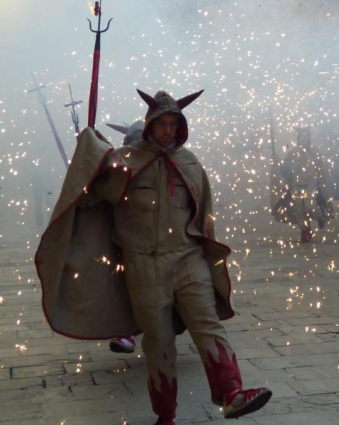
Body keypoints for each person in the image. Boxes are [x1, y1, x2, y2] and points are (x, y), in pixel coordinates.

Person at [35, 89, 271, 423]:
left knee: (208, 327)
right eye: (162, 123)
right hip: (143, 266)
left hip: (188, 260)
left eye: (174, 124)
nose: (168, 131)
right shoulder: (124, 161)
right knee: (159, 344)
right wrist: (88, 159)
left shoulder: (190, 163)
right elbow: (88, 198)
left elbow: (204, 216)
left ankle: (231, 393)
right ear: (149, 124)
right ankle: (165, 415)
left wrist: (208, 259)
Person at [104, 119, 146, 355]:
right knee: (126, 285)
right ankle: (125, 331)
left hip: (164, 239)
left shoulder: (167, 161)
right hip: (127, 236)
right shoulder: (118, 161)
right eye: (134, 140)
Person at [274, 127, 334, 243]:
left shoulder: (315, 152)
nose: (304, 139)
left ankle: (321, 218)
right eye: (302, 136)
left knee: (310, 207)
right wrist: (276, 160)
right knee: (299, 209)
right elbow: (285, 167)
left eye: (306, 136)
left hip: (311, 184)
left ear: (309, 138)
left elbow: (321, 169)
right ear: (298, 138)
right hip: (296, 184)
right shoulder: (292, 152)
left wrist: (322, 184)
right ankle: (305, 231)